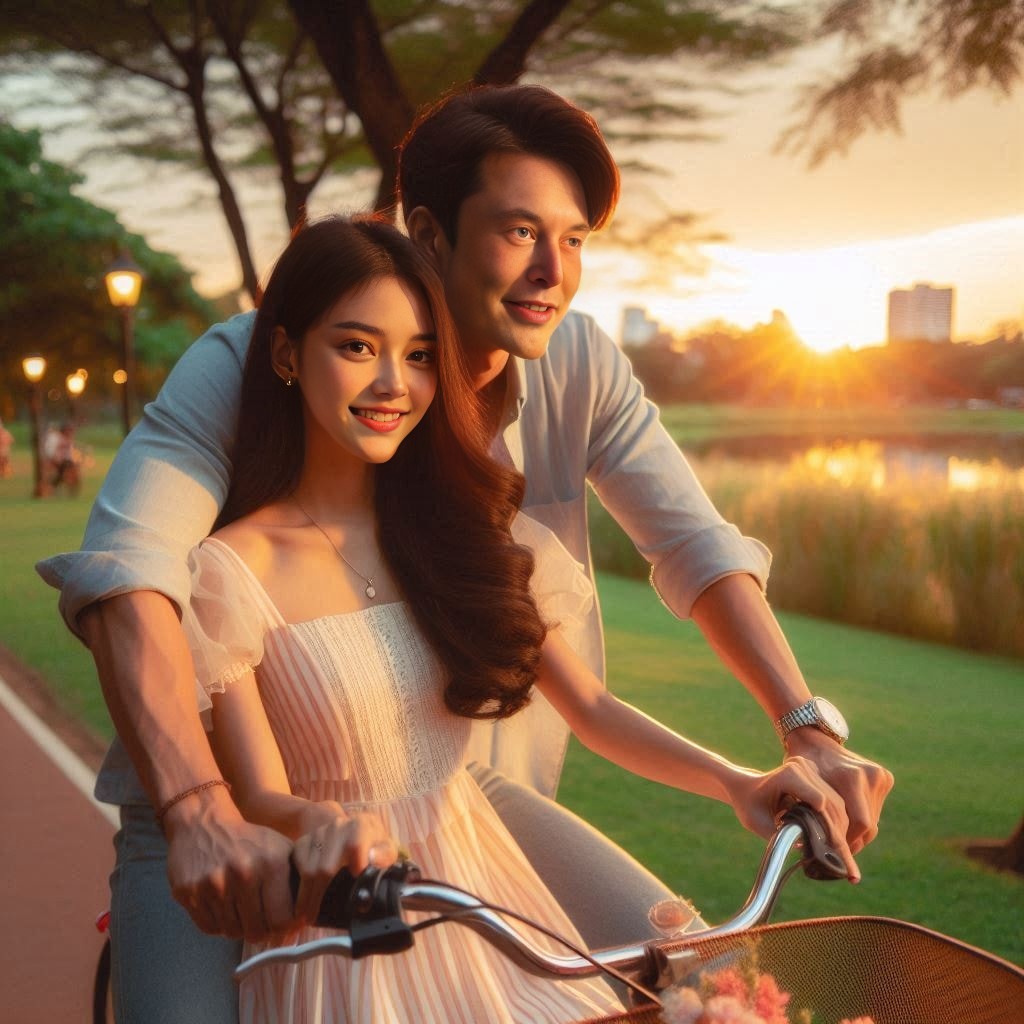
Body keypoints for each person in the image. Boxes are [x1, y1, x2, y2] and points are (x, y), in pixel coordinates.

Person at [38, 84, 892, 1023]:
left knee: (690, 971)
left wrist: (798, 730)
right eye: (520, 232)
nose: (550, 273)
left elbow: (690, 544)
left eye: (572, 240)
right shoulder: (242, 367)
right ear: (429, 234)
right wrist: (200, 810)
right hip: (215, 806)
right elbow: (130, 569)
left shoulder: (553, 393)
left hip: (449, 795)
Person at [188, 213, 860, 1022]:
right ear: (289, 354)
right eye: (357, 346)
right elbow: (257, 796)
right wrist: (322, 825)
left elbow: (594, 709)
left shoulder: (463, 533)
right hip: (349, 924)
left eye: (420, 355)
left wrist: (739, 782)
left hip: (486, 886)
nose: (393, 384)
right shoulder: (230, 570)